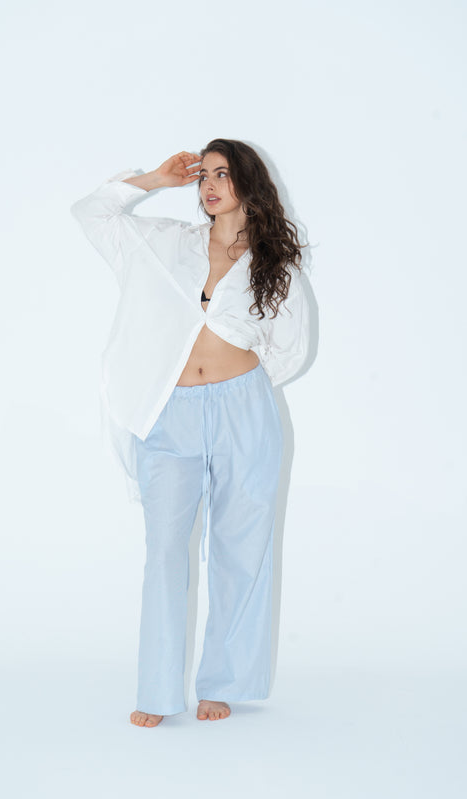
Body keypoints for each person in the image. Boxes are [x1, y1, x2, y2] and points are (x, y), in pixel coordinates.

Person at [70, 138, 311, 728]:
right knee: (164, 551)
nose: (209, 185)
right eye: (204, 175)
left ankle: (223, 683)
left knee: (241, 548)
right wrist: (155, 179)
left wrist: (237, 385)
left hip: (244, 413)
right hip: (170, 413)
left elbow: (292, 349)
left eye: (222, 174)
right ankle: (156, 691)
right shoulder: (164, 244)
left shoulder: (272, 264)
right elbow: (91, 212)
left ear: (249, 183)